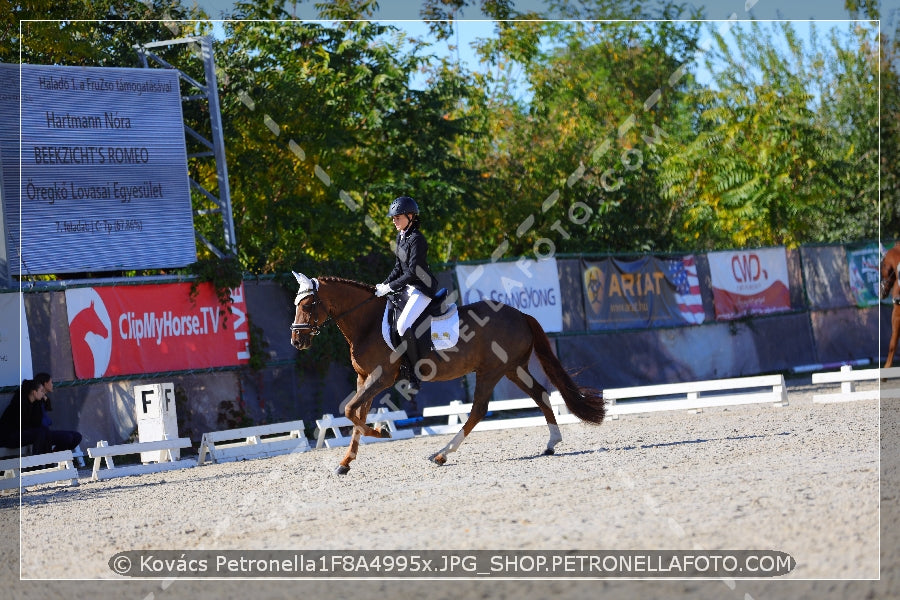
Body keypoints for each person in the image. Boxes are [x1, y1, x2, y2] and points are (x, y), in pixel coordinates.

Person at [374, 196, 439, 391]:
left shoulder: (417, 239)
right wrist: (383, 285)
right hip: (407, 286)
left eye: (398, 217)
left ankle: (415, 372)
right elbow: (397, 268)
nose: (394, 221)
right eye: (393, 218)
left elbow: (411, 272)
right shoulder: (401, 237)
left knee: (402, 325)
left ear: (411, 216)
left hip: (421, 287)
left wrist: (391, 287)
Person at [0, 378, 82, 454]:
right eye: (42, 391)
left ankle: (55, 457)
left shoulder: (35, 403)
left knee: (76, 436)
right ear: (34, 392)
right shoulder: (18, 405)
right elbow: (24, 427)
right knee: (51, 434)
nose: (44, 394)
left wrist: (41, 402)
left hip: (37, 434)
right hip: (11, 438)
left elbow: (38, 422)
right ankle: (40, 464)